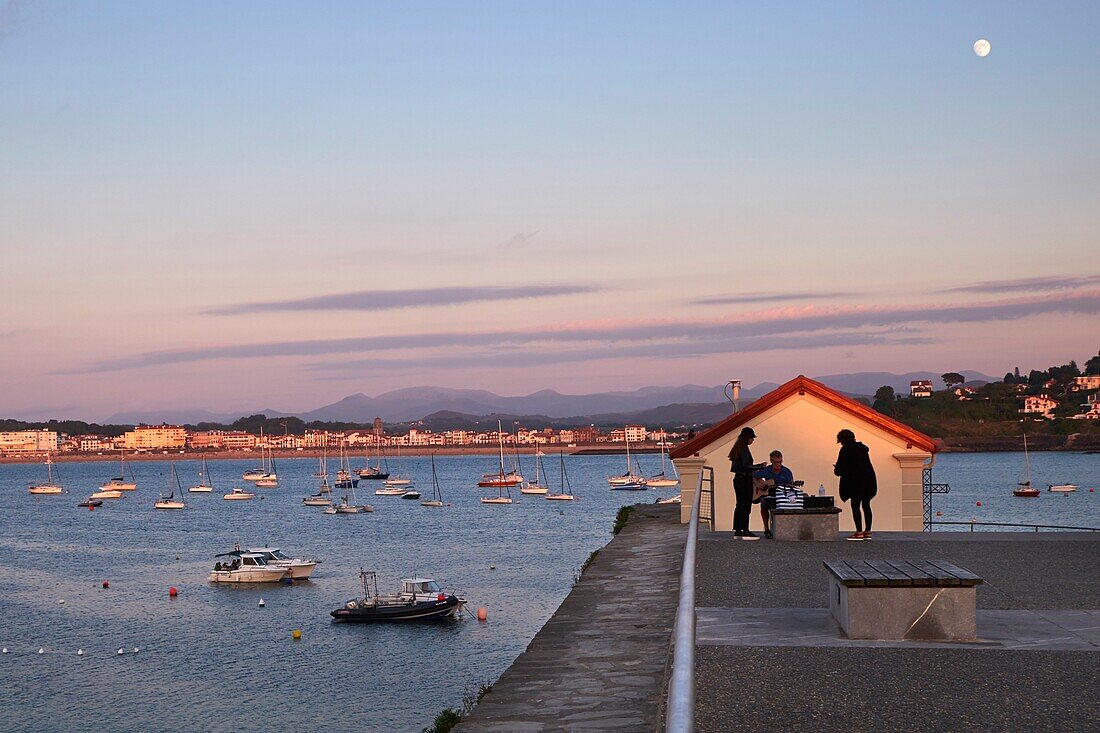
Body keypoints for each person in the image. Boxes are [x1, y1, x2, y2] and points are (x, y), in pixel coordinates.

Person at [833, 429, 877, 540]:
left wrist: (836, 469)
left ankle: (859, 532)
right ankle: (868, 531)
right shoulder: (863, 449)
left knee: (855, 505)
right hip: (869, 480)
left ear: (842, 440)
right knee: (866, 504)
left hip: (855, 482)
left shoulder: (845, 449)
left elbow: (839, 469)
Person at [728, 427, 764, 539]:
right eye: (752, 438)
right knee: (746, 505)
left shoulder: (738, 448)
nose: (752, 440)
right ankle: (745, 530)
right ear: (747, 438)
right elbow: (746, 466)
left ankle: (738, 529)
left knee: (739, 505)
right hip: (744, 480)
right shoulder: (744, 450)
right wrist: (760, 466)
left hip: (738, 479)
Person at [753, 450, 794, 539]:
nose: (778, 464)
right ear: (771, 461)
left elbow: (790, 487)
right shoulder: (767, 470)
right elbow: (754, 476)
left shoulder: (786, 472)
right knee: (764, 503)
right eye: (776, 462)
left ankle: (784, 528)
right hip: (769, 495)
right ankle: (767, 529)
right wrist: (759, 484)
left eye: (780, 462)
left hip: (782, 495)